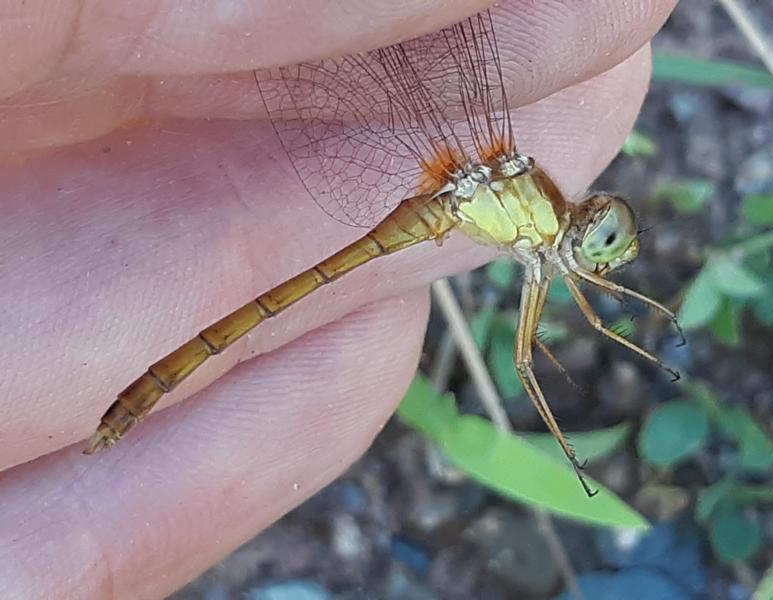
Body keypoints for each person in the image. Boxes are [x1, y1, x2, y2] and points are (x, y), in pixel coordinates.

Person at [0, 0, 677, 596]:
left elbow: (588, 307)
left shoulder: (544, 241)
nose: (602, 252)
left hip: (464, 196)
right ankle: (569, 454)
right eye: (605, 236)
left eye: (604, 241)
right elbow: (533, 359)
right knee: (524, 364)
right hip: (457, 195)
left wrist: (650, 313)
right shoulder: (537, 222)